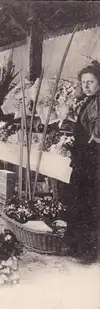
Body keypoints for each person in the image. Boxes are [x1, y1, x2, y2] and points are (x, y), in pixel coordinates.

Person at [64, 60, 100, 263]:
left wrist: (89, 144)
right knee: (81, 201)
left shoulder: (98, 102)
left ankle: (88, 250)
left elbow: (96, 134)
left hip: (92, 159)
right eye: (83, 82)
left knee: (88, 202)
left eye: (91, 81)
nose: (86, 86)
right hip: (84, 158)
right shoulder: (90, 101)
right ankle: (81, 247)